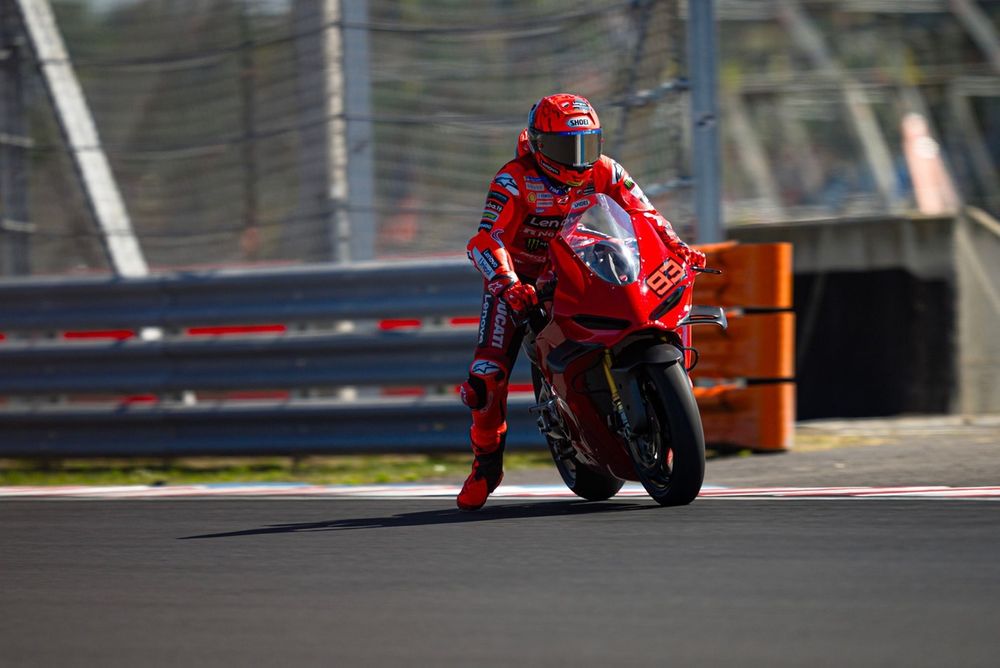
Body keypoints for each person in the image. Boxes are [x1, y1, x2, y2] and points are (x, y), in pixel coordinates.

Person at [457, 93, 706, 511]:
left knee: (653, 303)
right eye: (564, 148)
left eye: (586, 146)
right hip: (522, 281)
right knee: (485, 377)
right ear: (538, 145)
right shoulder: (513, 181)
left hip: (581, 265)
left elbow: (644, 213)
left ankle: (665, 406)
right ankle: (486, 465)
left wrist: (679, 247)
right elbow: (486, 239)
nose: (577, 161)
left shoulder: (605, 169)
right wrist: (507, 282)